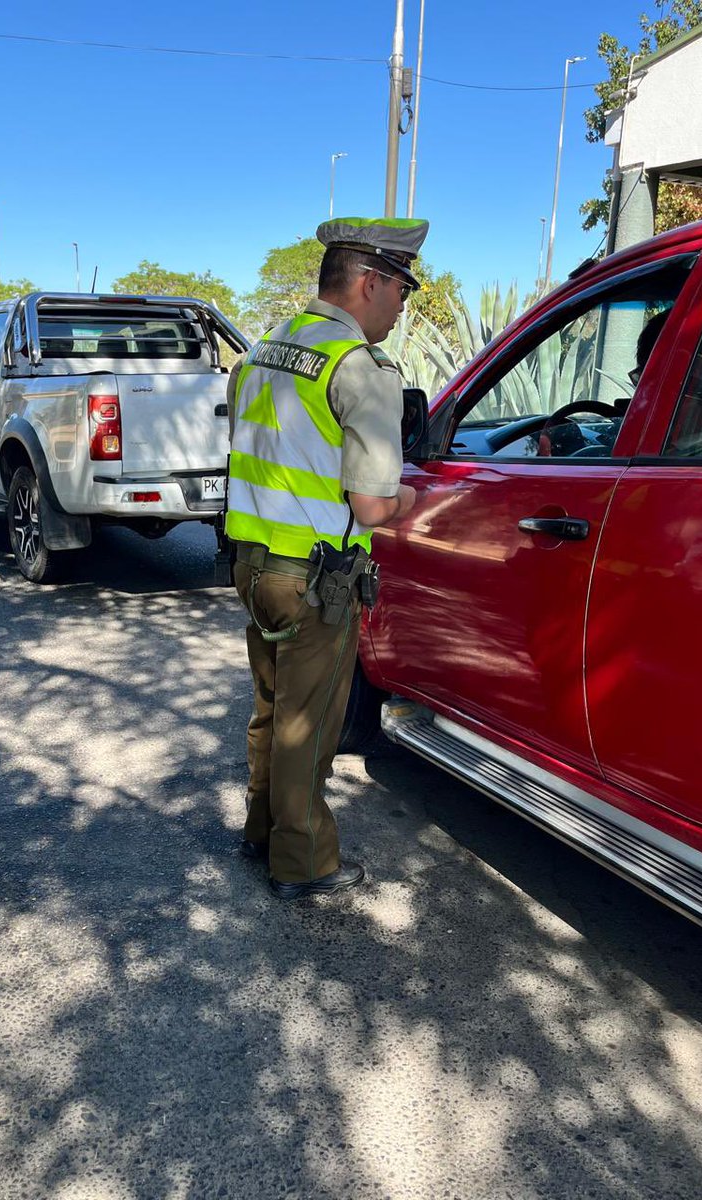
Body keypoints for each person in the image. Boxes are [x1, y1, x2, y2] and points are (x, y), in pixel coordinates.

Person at [226, 216, 426, 900]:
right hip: (315, 578)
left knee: (270, 709)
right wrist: (406, 498)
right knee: (306, 727)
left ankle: (261, 830)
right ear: (370, 283)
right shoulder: (360, 369)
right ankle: (304, 864)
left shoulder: (262, 351)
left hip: (253, 566)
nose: (403, 307)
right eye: (403, 288)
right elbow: (370, 507)